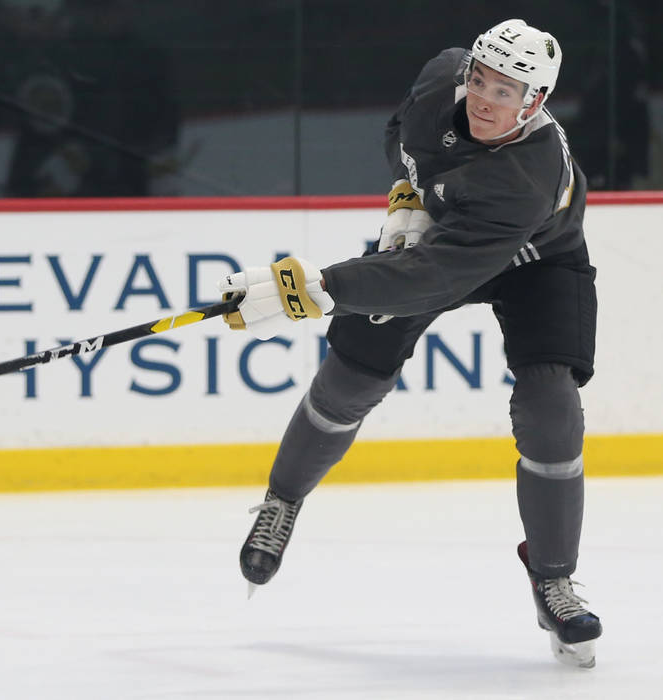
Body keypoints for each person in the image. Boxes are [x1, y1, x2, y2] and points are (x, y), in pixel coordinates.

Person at [218, 19, 602, 669]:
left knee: (549, 406)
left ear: (534, 103)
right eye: (480, 80)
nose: (483, 98)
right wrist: (409, 200)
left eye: (505, 92)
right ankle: (282, 501)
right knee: (355, 373)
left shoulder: (527, 176)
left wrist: (316, 287)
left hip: (538, 261)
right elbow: (405, 138)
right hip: (446, 236)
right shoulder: (440, 81)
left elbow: (436, 274)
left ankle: (553, 578)